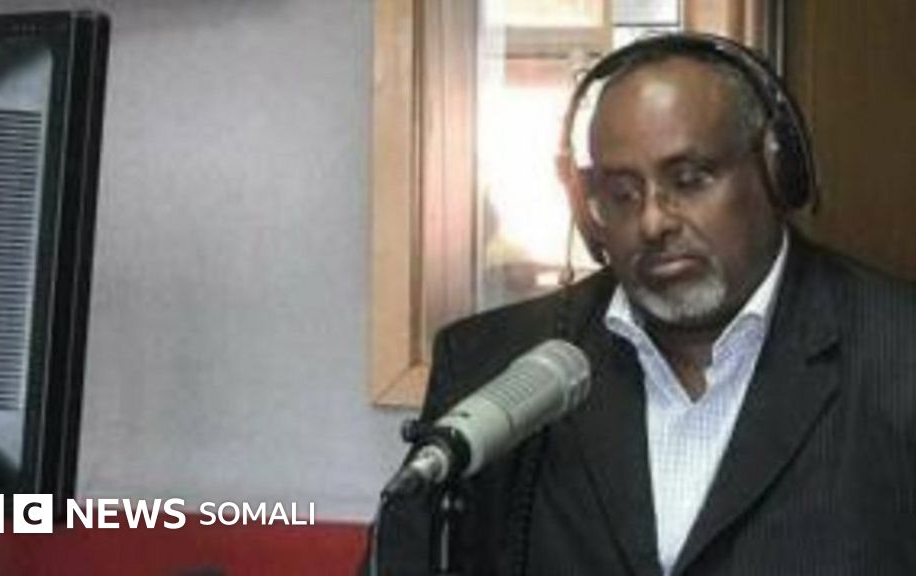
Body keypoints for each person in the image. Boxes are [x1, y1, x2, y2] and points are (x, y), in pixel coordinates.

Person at [371, 33, 916, 576]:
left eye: (690, 180)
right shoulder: (492, 366)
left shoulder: (899, 355)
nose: (653, 221)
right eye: (622, 194)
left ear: (777, 171)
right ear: (588, 208)